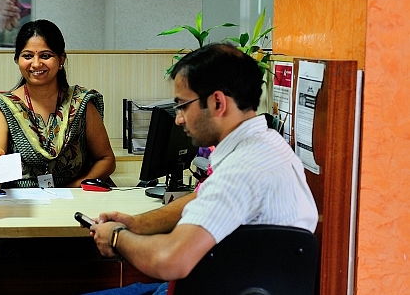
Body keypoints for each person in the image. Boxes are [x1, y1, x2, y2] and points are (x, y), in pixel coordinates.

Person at [86, 43, 319, 294]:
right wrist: (137, 224)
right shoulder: (269, 145)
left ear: (218, 102)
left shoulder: (239, 172)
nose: (178, 119)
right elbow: (203, 198)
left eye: (183, 105)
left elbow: (168, 260)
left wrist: (117, 236)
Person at [0, 19, 116, 188]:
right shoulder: (3, 108)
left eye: (45, 56)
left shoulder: (81, 103)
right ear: (17, 59)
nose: (36, 64)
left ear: (61, 59)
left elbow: (106, 159)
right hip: (22, 205)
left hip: (75, 200)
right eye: (27, 56)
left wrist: (75, 187)